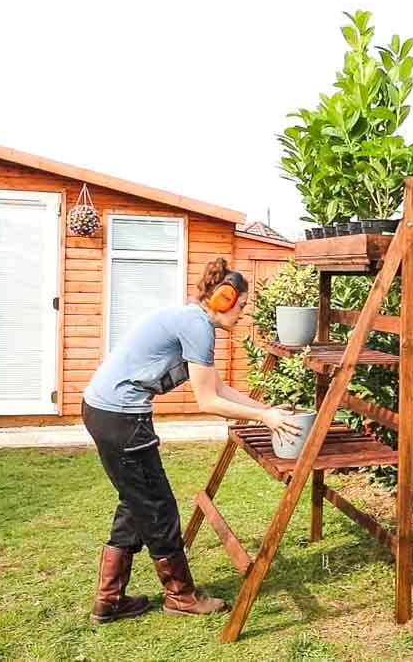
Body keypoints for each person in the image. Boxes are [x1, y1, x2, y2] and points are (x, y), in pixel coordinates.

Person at [82, 257, 300, 623]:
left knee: (135, 501)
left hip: (104, 411)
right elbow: (208, 401)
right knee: (158, 507)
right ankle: (181, 595)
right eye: (242, 305)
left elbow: (218, 387)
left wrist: (266, 409)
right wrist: (265, 419)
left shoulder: (190, 320)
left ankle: (110, 600)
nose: (243, 314)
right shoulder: (198, 327)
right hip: (121, 418)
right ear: (224, 299)